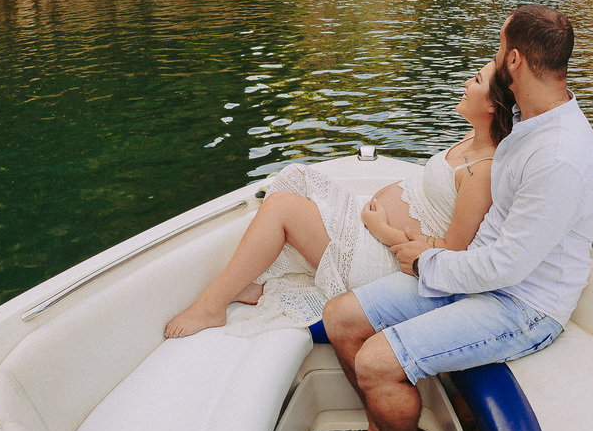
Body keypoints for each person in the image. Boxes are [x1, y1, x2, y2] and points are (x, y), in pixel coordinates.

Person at [320, 4, 593, 431]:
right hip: (481, 278)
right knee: (340, 318)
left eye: (499, 49)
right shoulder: (532, 124)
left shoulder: (559, 156)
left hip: (524, 306)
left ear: (514, 60)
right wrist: (438, 255)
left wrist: (425, 260)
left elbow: (509, 266)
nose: (493, 59)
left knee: (375, 362)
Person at [163, 60, 515, 339]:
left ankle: (212, 306)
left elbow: (452, 252)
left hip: (386, 257)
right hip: (373, 232)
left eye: (476, 81)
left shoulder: (483, 172)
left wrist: (382, 229)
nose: (466, 83)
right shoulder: (471, 138)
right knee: (294, 178)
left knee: (282, 208)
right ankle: (254, 283)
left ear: (492, 105)